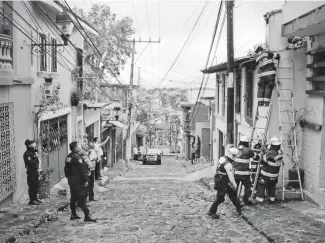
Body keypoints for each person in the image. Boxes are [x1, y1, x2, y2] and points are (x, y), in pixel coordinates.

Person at [64, 141, 96, 222]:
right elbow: (81, 170)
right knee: (81, 198)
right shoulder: (77, 157)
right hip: (78, 181)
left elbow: (66, 169)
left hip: (71, 180)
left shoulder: (68, 157)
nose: (79, 148)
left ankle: (73, 214)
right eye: (78, 146)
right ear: (75, 148)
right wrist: (85, 180)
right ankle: (87, 215)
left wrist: (69, 178)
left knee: (73, 197)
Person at [208, 147, 243, 219]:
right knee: (220, 198)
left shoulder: (223, 158)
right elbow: (230, 176)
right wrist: (235, 184)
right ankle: (211, 211)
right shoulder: (228, 164)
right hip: (222, 181)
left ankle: (239, 207)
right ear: (233, 155)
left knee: (232, 193)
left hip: (220, 178)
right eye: (235, 156)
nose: (236, 157)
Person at [255, 137, 283, 204]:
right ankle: (272, 198)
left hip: (266, 175)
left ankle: (260, 198)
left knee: (261, 184)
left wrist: (262, 154)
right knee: (272, 186)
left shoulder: (270, 152)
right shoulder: (280, 152)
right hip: (275, 175)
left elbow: (263, 160)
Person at [233, 136, 255, 205]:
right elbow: (254, 156)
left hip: (235, 173)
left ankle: (233, 200)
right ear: (247, 143)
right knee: (247, 187)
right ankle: (245, 201)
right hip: (245, 174)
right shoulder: (249, 150)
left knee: (234, 187)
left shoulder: (235, 149)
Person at [23, 139, 42, 205]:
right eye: (32, 143)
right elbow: (31, 163)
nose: (34, 144)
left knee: (36, 185)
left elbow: (37, 162)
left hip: (35, 170)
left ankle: (35, 198)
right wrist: (35, 157)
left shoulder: (34, 152)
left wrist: (36, 157)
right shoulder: (27, 154)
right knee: (32, 186)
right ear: (29, 145)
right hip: (31, 172)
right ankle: (31, 200)